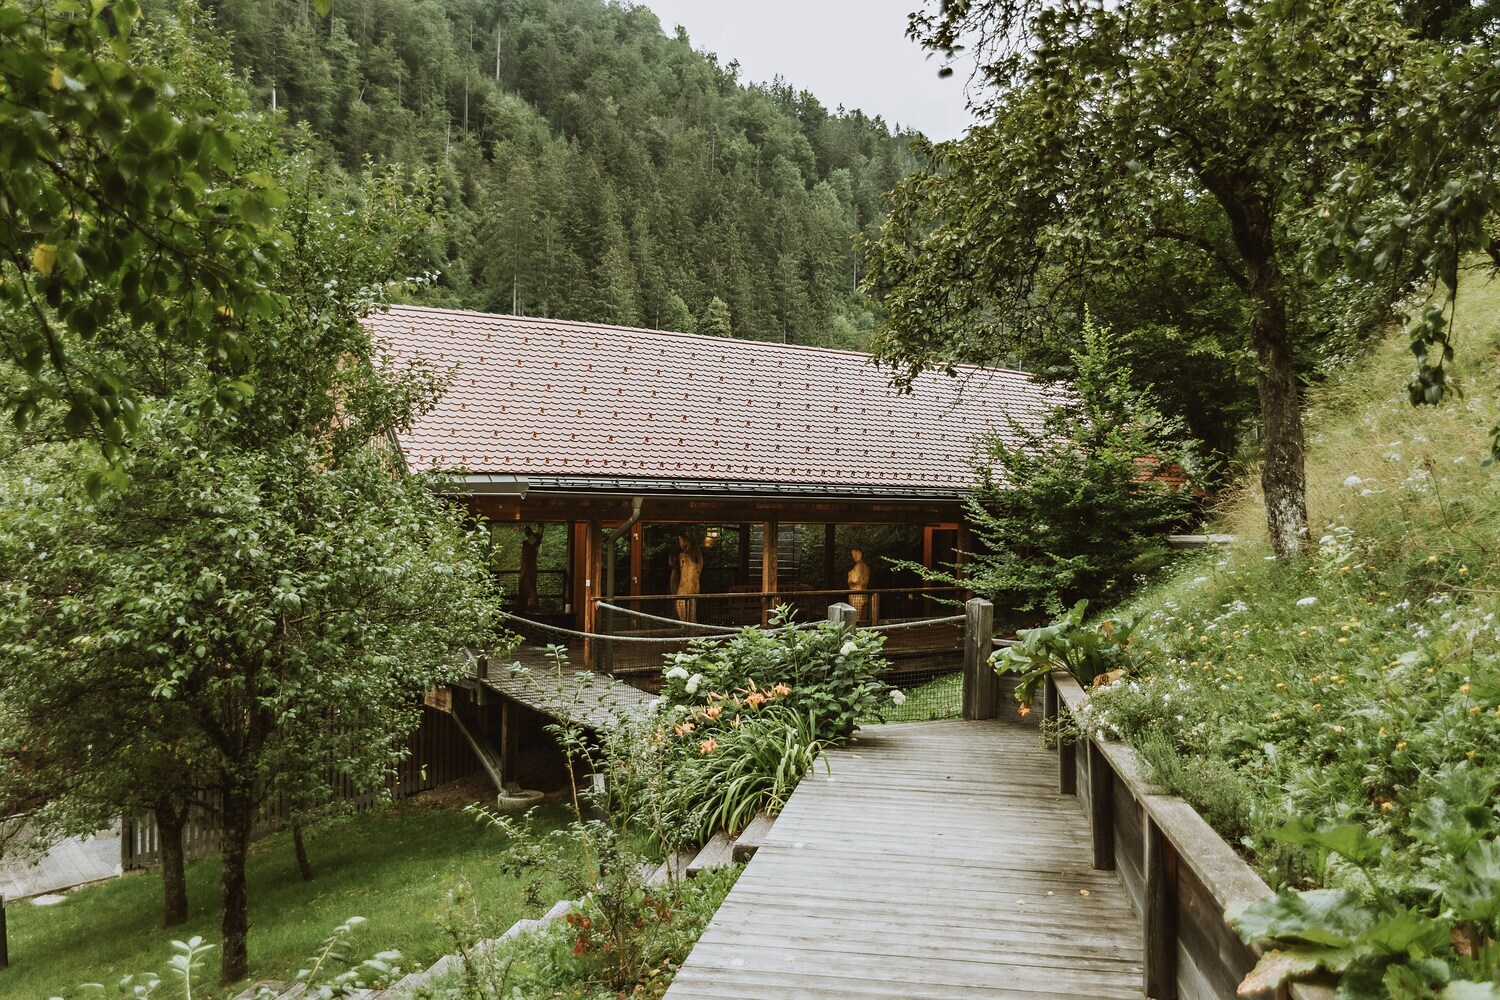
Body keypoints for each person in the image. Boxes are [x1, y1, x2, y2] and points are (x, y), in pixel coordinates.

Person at [674, 533, 704, 622]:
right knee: (682, 605)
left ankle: (689, 625)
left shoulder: (693, 556)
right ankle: (686, 624)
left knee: (684, 604)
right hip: (686, 583)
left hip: (690, 584)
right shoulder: (684, 555)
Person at [848, 547, 871, 623]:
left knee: (857, 616)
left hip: (856, 595)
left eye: (855, 554)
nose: (853, 557)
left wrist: (849, 574)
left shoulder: (858, 566)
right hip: (864, 594)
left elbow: (854, 579)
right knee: (862, 616)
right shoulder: (865, 566)